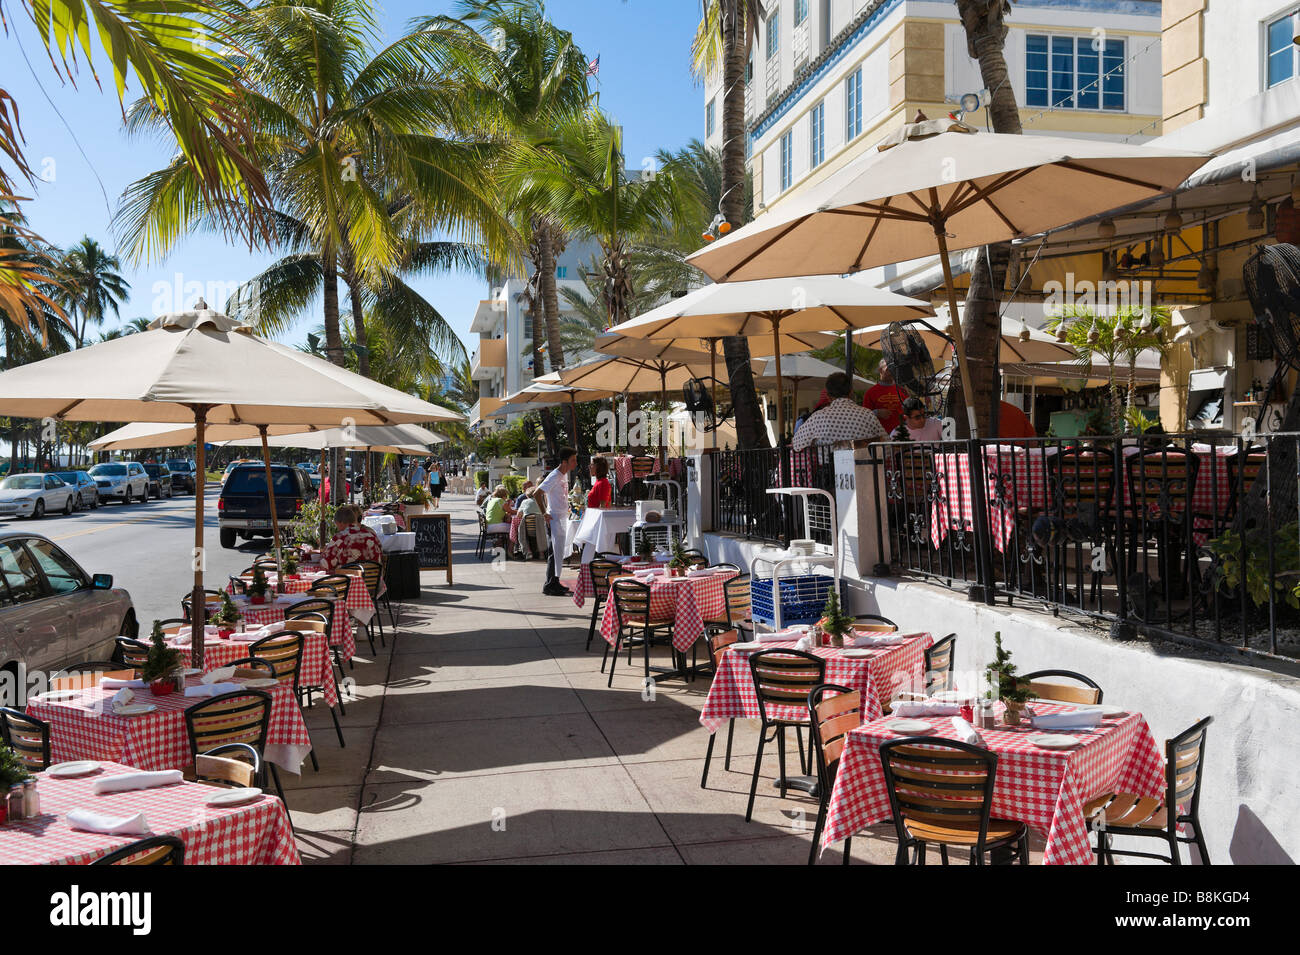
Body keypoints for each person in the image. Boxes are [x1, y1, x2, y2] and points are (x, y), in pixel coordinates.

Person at [792, 372, 887, 451]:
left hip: (829, 472)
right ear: (851, 393)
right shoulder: (868, 414)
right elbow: (887, 445)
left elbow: (796, 445)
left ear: (828, 397)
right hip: (864, 471)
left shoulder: (818, 417)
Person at [538, 446, 578, 596]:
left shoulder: (564, 475)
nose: (575, 463)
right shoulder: (554, 475)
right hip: (554, 518)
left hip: (561, 517)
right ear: (564, 462)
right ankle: (550, 585)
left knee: (558, 552)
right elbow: (537, 493)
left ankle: (554, 582)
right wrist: (545, 513)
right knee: (554, 552)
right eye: (573, 460)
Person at [322, 504, 383, 571]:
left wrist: (324, 554)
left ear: (340, 523)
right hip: (373, 579)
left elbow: (325, 565)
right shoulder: (371, 535)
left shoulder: (340, 538)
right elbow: (381, 554)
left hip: (349, 580)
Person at [863, 360, 908, 433]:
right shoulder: (870, 393)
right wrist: (876, 413)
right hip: (880, 437)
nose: (891, 373)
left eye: (893, 369)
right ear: (880, 370)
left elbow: (908, 412)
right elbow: (864, 416)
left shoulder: (902, 391)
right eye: (888, 369)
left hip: (900, 436)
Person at [516, 488, 548, 559]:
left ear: (527, 496)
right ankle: (541, 553)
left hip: (528, 530)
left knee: (520, 529)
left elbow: (518, 515)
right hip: (540, 529)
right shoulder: (541, 501)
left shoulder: (524, 502)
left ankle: (528, 552)